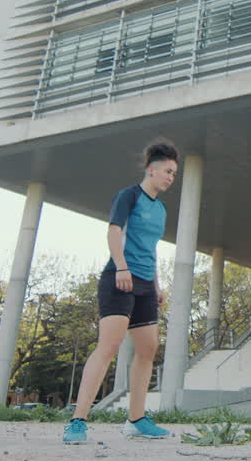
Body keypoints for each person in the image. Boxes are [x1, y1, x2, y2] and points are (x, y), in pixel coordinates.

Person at [63, 140, 179, 443]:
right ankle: (78, 421)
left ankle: (136, 419)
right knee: (109, 346)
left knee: (148, 349)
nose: (170, 177)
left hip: (145, 284)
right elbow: (114, 231)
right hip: (119, 278)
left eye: (174, 174)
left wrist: (156, 285)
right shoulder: (128, 196)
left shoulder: (161, 210)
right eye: (167, 171)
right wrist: (122, 267)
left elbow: (150, 248)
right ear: (151, 169)